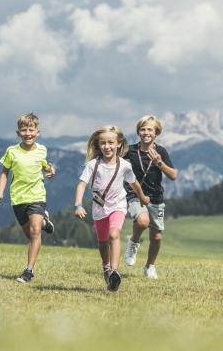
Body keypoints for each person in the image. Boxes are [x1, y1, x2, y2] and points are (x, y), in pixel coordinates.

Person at [73, 125, 150, 292]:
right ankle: (106, 266)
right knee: (102, 243)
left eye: (110, 142)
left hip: (118, 205)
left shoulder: (124, 165)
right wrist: (78, 204)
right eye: (103, 143)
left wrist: (142, 197)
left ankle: (114, 272)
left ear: (118, 144)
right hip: (99, 209)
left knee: (113, 234)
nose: (107, 146)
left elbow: (134, 183)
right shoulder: (93, 165)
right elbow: (81, 184)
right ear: (98, 145)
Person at [0, 113, 56, 283]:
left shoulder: (42, 149)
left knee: (35, 232)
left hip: (37, 196)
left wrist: (50, 169)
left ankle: (29, 271)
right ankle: (44, 222)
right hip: (18, 198)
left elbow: (42, 165)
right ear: (18, 133)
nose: (28, 133)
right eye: (24, 130)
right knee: (30, 234)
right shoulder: (11, 151)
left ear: (37, 132)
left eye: (31, 130)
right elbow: (4, 173)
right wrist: (0, 193)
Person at [123, 115, 177, 279]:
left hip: (155, 197)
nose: (146, 132)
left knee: (156, 236)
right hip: (134, 194)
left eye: (150, 129)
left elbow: (173, 176)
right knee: (142, 221)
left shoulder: (160, 152)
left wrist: (159, 162)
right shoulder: (130, 150)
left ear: (156, 133)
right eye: (143, 129)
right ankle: (133, 242)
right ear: (138, 131)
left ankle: (149, 266)